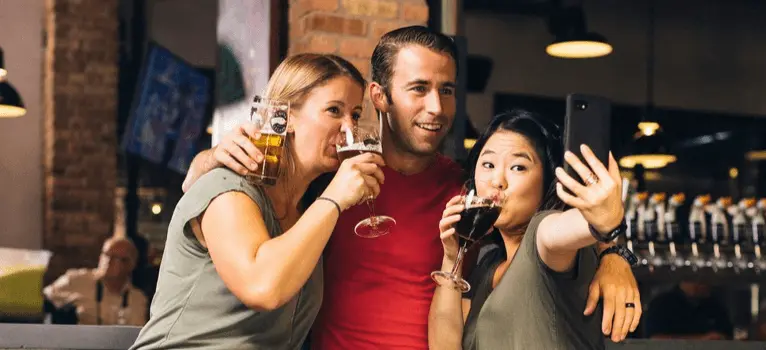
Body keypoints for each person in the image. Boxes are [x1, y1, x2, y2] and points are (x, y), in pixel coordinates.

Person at [182, 26, 641, 348]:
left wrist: (613, 253)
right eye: (418, 88)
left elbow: (542, 231)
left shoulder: (470, 187)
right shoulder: (330, 178)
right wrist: (208, 158)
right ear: (379, 97)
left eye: (446, 90)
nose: (436, 107)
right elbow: (217, 204)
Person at [130, 53, 383, 350]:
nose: (348, 128)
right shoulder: (229, 188)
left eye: (354, 114)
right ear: (284, 117)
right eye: (333, 110)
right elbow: (262, 287)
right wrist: (334, 198)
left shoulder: (310, 208)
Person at [429, 109, 636, 349]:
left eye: (518, 167)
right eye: (488, 164)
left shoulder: (542, 237)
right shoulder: (488, 264)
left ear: (547, 182)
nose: (498, 180)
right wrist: (452, 256)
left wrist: (605, 223)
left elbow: (565, 229)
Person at [43, 236, 147, 326]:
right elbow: (42, 299)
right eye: (106, 254)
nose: (108, 261)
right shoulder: (76, 279)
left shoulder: (137, 299)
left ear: (130, 265)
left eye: (116, 258)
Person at [644, 281, 733, 340]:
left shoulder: (716, 307)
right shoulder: (662, 304)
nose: (706, 283)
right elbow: (655, 339)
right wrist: (702, 339)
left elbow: (728, 338)